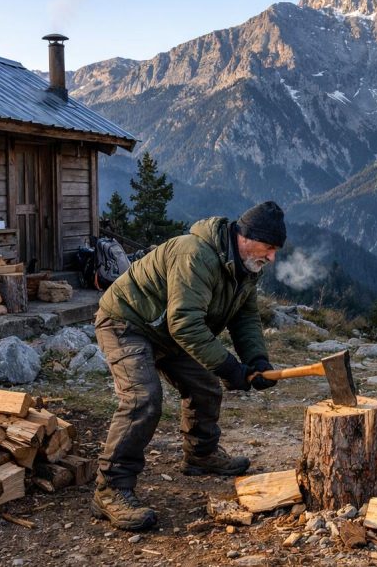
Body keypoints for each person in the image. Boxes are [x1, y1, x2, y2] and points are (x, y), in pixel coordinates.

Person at [90, 201, 286, 530]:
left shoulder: (244, 268)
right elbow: (185, 324)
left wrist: (256, 360)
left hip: (165, 330)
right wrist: (229, 367)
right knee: (143, 398)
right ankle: (111, 489)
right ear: (246, 237)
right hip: (127, 323)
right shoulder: (195, 254)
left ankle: (201, 454)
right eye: (268, 247)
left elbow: (246, 317)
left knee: (204, 387)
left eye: (276, 250)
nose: (271, 257)